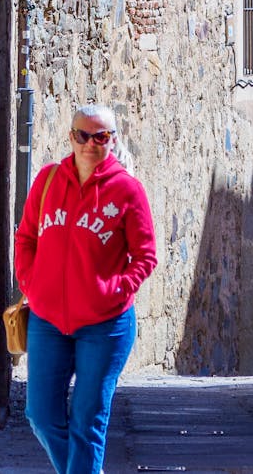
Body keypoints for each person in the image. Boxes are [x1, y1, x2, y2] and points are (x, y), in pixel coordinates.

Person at [14, 104, 158, 474]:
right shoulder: (47, 181)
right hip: (47, 321)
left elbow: (145, 256)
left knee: (87, 419)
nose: (90, 144)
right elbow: (26, 237)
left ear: (112, 140)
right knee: (40, 415)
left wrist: (116, 290)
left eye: (101, 136)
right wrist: (31, 282)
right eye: (82, 135)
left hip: (105, 325)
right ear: (71, 137)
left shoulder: (127, 190)